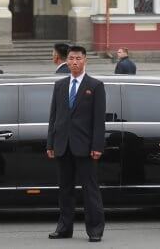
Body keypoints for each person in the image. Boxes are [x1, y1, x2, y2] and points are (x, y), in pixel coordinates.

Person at [46, 45, 106, 243]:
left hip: (85, 147)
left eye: (78, 58)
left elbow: (99, 120)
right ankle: (64, 228)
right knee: (65, 190)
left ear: (85, 60)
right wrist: (50, 144)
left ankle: (95, 229)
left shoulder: (95, 86)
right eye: (71, 58)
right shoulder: (60, 85)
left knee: (90, 190)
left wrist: (97, 146)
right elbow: (54, 117)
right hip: (62, 145)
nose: (74, 62)